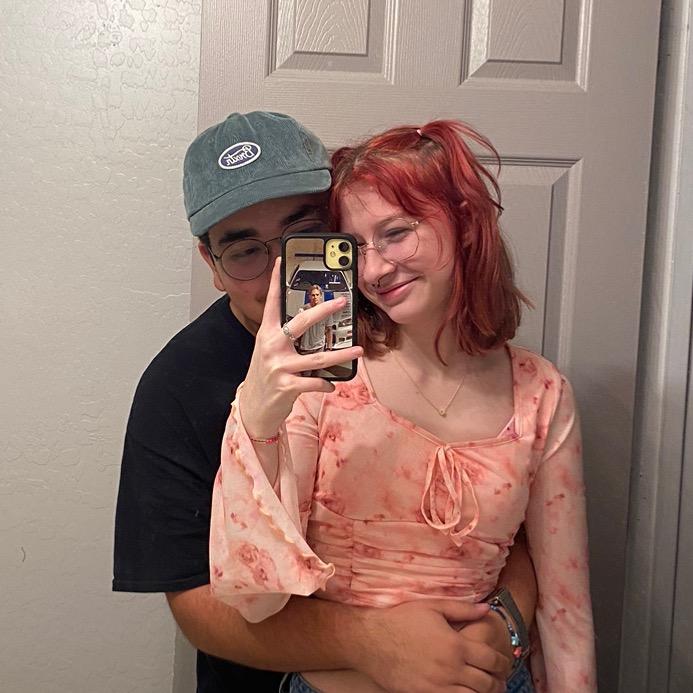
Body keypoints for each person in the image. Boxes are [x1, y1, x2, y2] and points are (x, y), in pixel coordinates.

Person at [113, 111, 538, 693]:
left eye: (306, 232)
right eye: (245, 251)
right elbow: (197, 604)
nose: (283, 269)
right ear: (212, 265)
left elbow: (507, 520)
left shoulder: (409, 322)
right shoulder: (177, 386)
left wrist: (502, 627)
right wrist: (371, 642)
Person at [209, 119, 597, 693]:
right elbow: (257, 598)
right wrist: (258, 418)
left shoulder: (540, 392)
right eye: (354, 247)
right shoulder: (322, 382)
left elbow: (566, 610)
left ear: (465, 223)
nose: (372, 270)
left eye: (395, 233)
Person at [298, 285, 333, 354]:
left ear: (321, 296)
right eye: (313, 295)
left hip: (319, 348)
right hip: (305, 348)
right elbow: (298, 330)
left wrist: (329, 347)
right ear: (309, 296)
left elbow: (329, 330)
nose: (315, 297)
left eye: (317, 295)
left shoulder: (326, 311)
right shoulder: (302, 310)